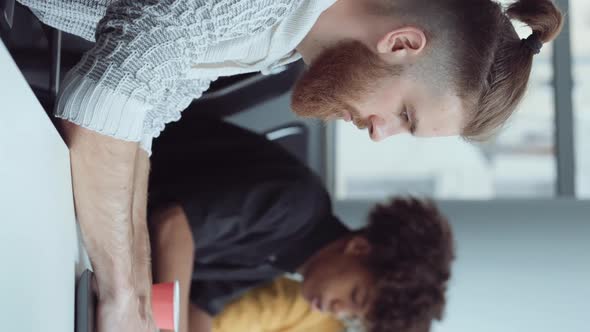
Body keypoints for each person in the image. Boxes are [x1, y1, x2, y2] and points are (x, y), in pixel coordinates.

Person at [17, 0, 561, 330]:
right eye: (404, 114)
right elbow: (106, 101)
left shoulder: (280, 45)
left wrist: (134, 302)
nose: (379, 131)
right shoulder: (265, 8)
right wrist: (125, 300)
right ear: (401, 43)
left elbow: (143, 124)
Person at [147, 117, 455, 332]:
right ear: (359, 248)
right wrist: (166, 326)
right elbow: (172, 226)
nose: (339, 310)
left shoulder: (281, 259)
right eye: (355, 297)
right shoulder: (295, 204)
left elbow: (200, 304)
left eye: (352, 316)